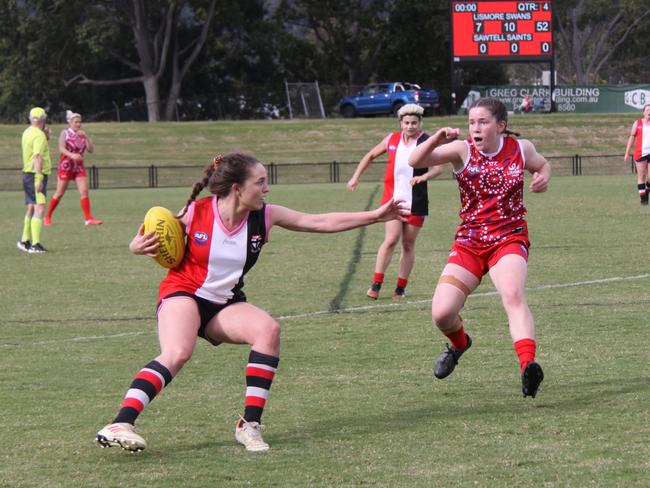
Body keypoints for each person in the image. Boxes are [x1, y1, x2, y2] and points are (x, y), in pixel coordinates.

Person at [96, 152, 408, 453]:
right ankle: (120, 423)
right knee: (178, 352)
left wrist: (376, 216)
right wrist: (135, 246)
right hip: (184, 293)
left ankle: (250, 425)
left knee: (268, 330)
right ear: (237, 188)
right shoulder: (196, 213)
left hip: (225, 303)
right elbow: (153, 239)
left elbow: (319, 221)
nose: (266, 188)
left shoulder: (265, 216)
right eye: (259, 182)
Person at [409, 97, 551, 398]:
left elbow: (542, 164)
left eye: (483, 122)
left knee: (512, 294)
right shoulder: (462, 150)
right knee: (442, 313)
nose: (475, 127)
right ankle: (460, 344)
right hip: (470, 242)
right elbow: (415, 160)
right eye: (471, 122)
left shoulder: (520, 149)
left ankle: (528, 367)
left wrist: (543, 176)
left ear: (501, 126)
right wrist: (436, 137)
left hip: (509, 237)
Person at [347, 104, 441, 300]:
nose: (410, 126)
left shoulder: (426, 141)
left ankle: (400, 288)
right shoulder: (392, 139)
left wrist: (423, 178)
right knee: (390, 240)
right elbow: (370, 155)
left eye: (414, 123)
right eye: (406, 123)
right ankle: (376, 284)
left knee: (408, 244)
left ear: (420, 123)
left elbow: (438, 168)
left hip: (417, 201)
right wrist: (355, 177)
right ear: (401, 123)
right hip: (392, 200)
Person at [44, 110, 102, 225]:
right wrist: (72, 155)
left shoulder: (81, 135)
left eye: (79, 122)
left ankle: (88, 219)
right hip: (66, 166)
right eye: (76, 122)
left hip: (78, 167)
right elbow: (61, 148)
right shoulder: (65, 133)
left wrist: (86, 138)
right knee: (59, 193)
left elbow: (91, 150)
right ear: (70, 123)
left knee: (84, 191)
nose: (78, 124)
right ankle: (47, 217)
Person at [17, 107, 52, 254]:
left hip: (27, 173)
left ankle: (24, 240)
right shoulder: (39, 135)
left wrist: (45, 136)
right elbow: (37, 156)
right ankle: (35, 244)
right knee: (40, 206)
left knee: (31, 206)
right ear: (43, 120)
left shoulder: (27, 132)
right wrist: (39, 179)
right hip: (35, 174)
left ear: (31, 119)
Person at [623, 103, 650, 205]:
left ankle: (646, 191)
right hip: (640, 154)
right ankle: (643, 199)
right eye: (647, 110)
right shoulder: (637, 123)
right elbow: (631, 137)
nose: (649, 112)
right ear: (643, 112)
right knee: (641, 176)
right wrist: (627, 153)